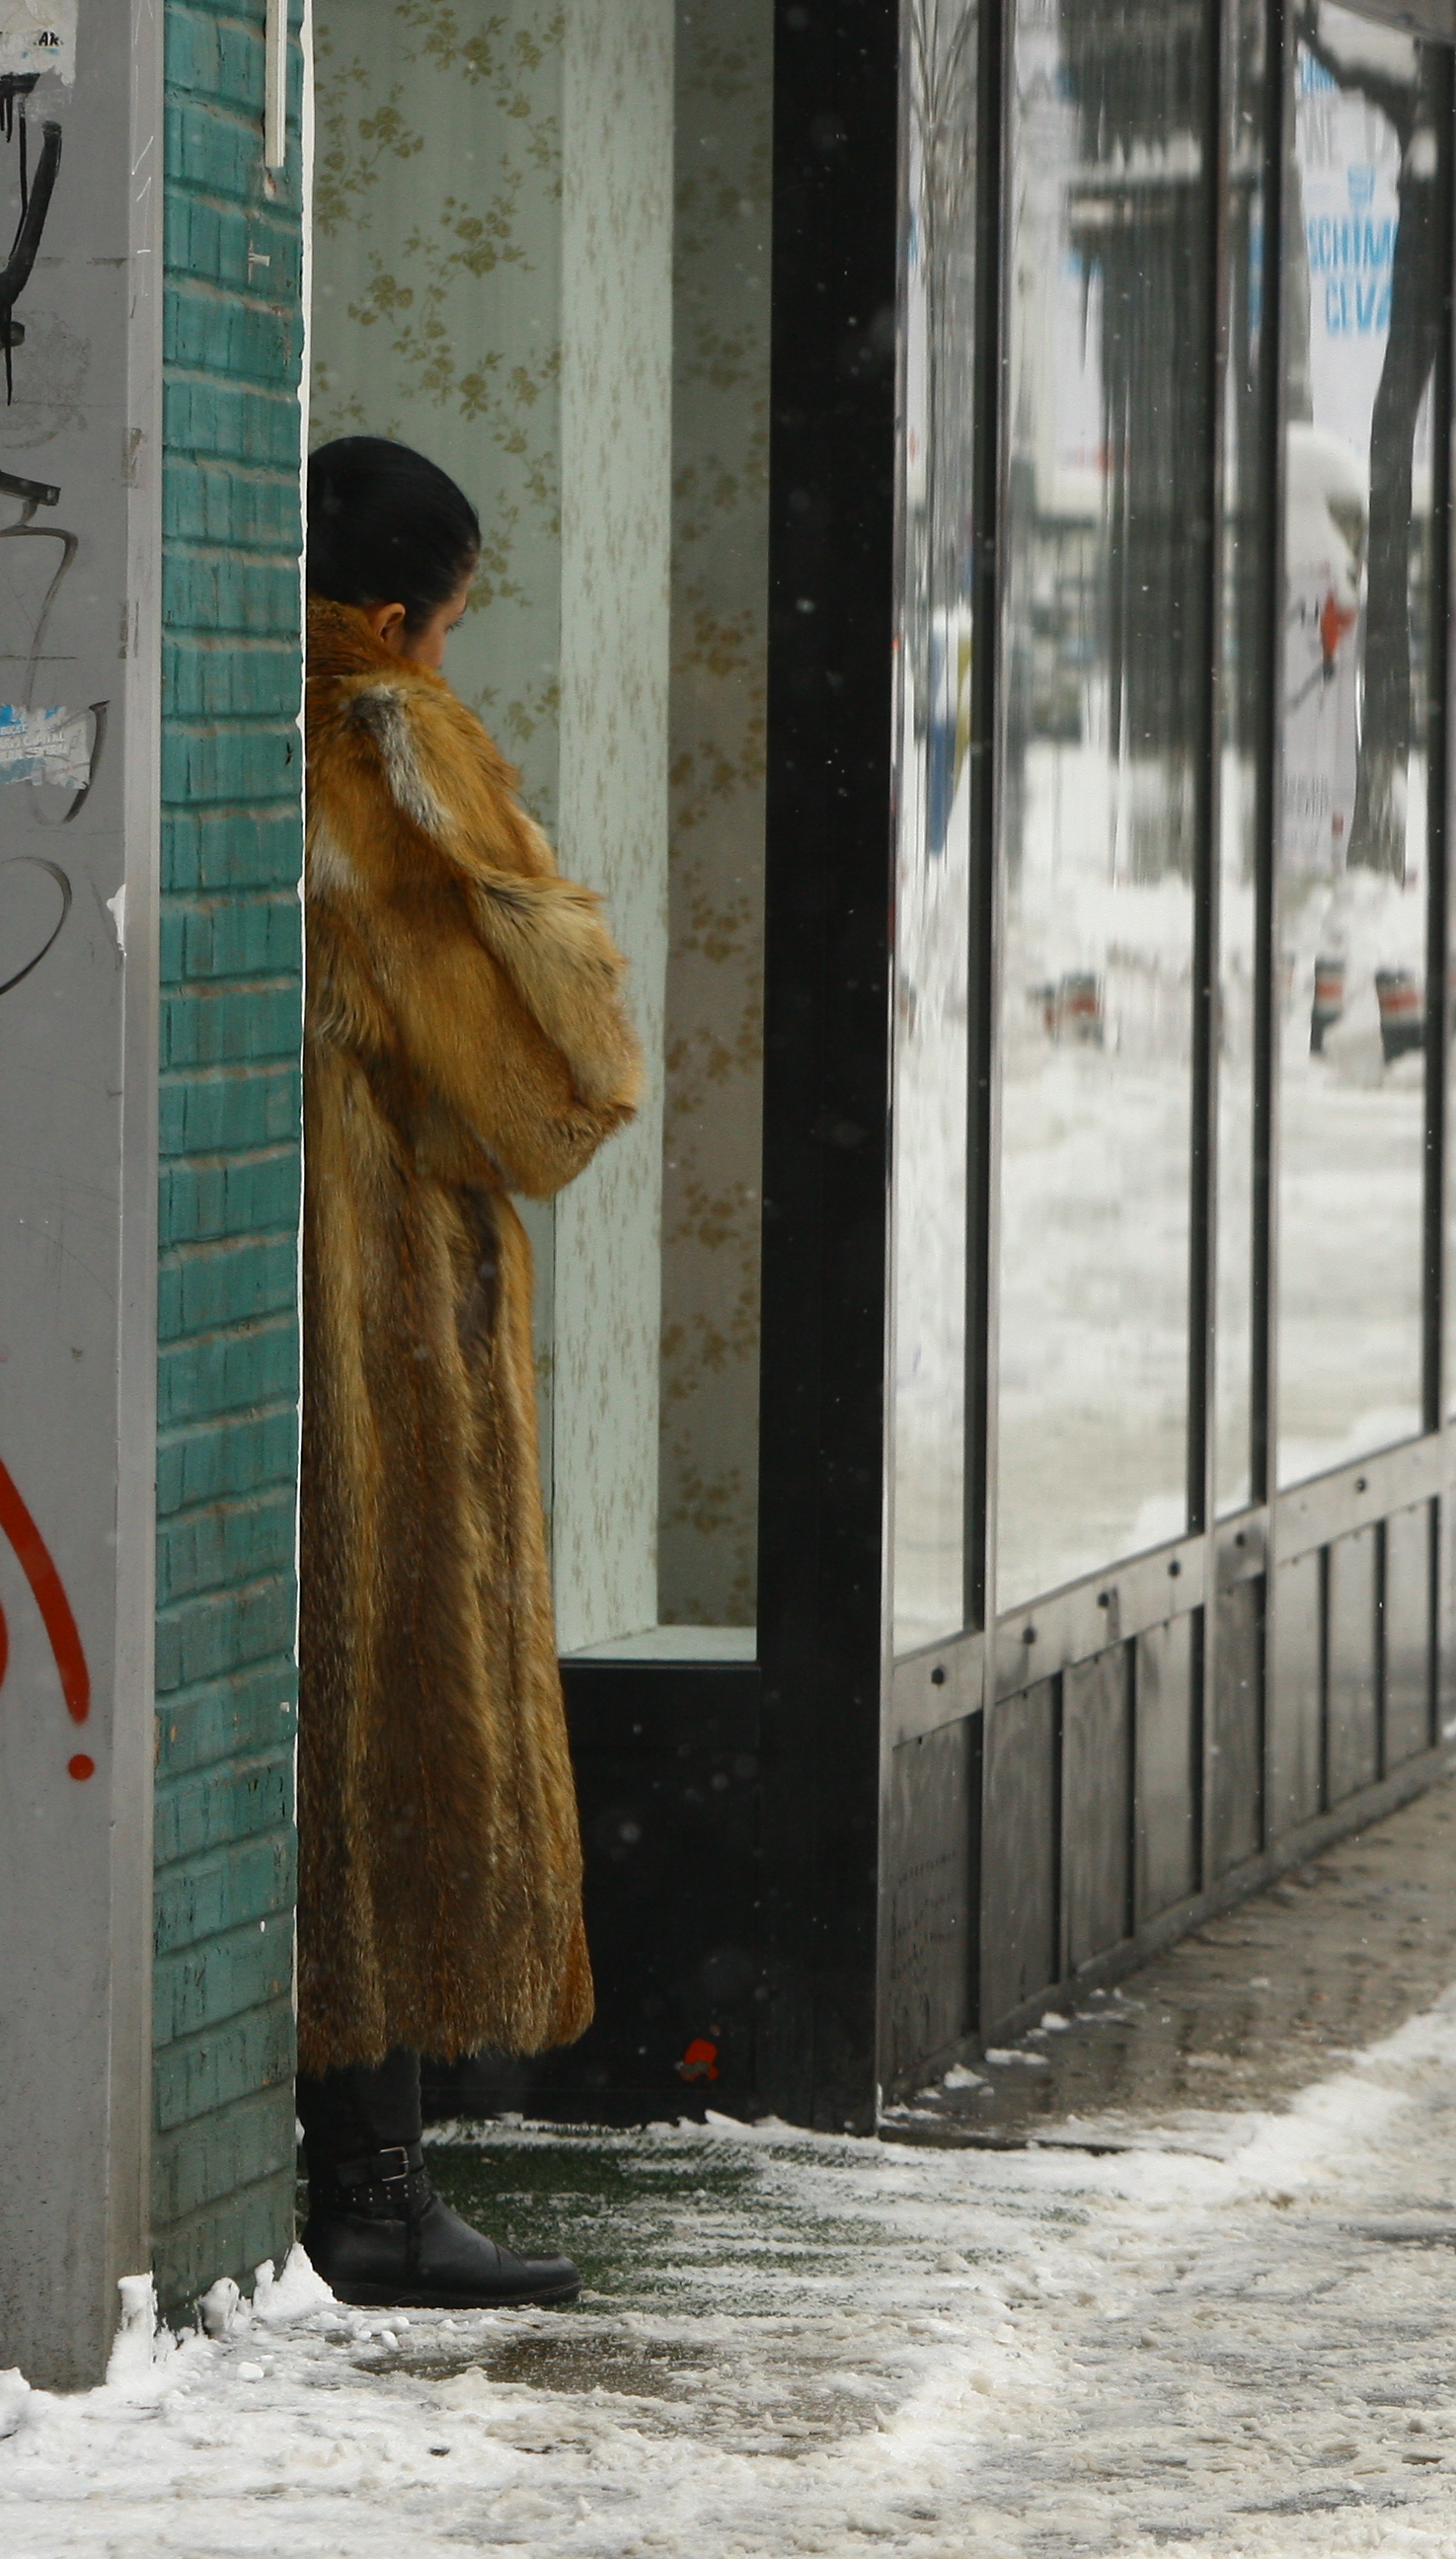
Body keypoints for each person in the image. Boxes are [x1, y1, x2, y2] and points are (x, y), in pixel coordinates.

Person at [297, 436, 644, 2306]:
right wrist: (556, 919)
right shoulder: (381, 757)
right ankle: (369, 2183)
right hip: (381, 1315)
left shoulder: (199, 702)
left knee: (308, 1720)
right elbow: (556, 1081)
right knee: (386, 1714)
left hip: (252, 1298)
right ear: (399, 612)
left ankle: (337, 2165)